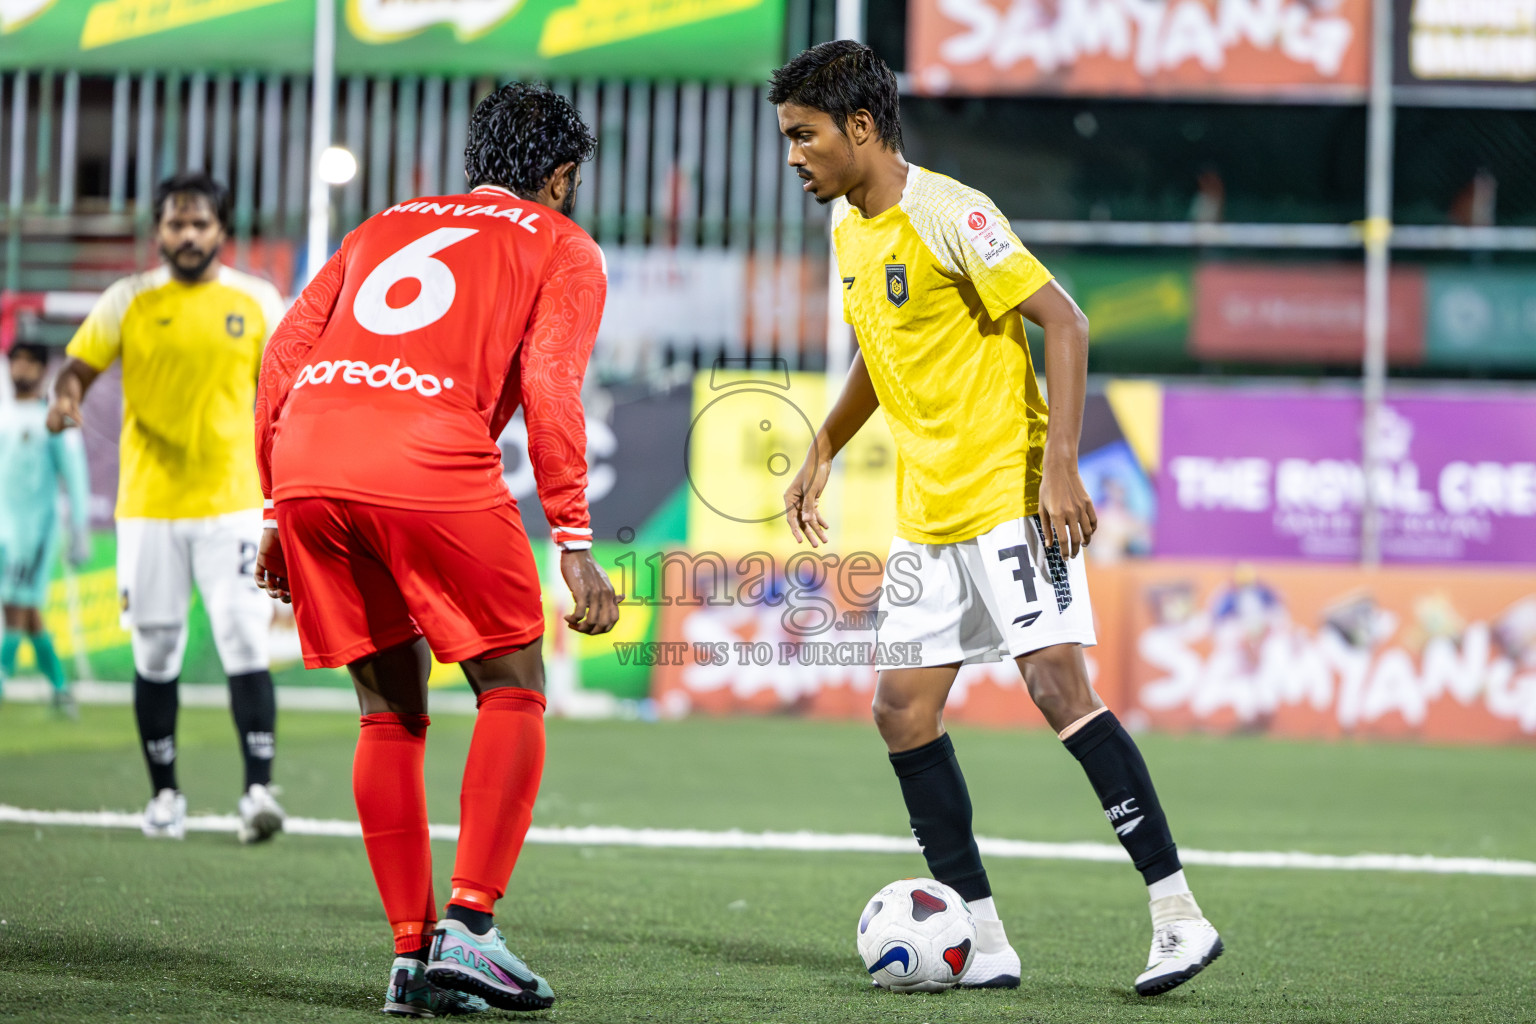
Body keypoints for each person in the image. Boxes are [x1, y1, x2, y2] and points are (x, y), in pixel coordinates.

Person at [773, 41, 1222, 996]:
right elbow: (879, 349)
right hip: (927, 512)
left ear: (860, 127)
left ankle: (1179, 916)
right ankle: (981, 936)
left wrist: (1059, 468)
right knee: (900, 711)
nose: (794, 156)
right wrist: (825, 445)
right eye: (786, 139)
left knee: (1059, 688)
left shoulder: (950, 211)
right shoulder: (849, 229)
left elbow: (1065, 320)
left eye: (805, 136)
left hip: (1009, 496)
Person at [252, 82, 619, 1017]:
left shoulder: (378, 225)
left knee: (388, 713)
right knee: (513, 681)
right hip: (425, 456)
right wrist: (574, 538)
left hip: (309, 458)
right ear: (562, 176)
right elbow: (548, 383)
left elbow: (284, 354)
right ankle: (473, 928)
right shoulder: (563, 243)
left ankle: (411, 960)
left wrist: (273, 507)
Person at [49, 171, 287, 844]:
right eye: (176, 224)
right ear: (158, 231)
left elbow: (287, 393)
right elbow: (78, 369)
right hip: (149, 508)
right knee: (156, 654)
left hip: (234, 505)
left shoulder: (258, 300)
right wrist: (66, 395)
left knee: (246, 640)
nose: (188, 235)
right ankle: (166, 797)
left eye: (200, 223)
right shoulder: (126, 299)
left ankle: (258, 792)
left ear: (222, 230)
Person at [0, 342, 91, 716]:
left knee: (16, 607)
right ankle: (60, 687)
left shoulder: (53, 418)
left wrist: (80, 530)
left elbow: (76, 475)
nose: (21, 368)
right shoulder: (4, 414)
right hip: (4, 530)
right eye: (16, 360)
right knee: (26, 611)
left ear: (43, 369)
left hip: (34, 532)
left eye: (30, 362)